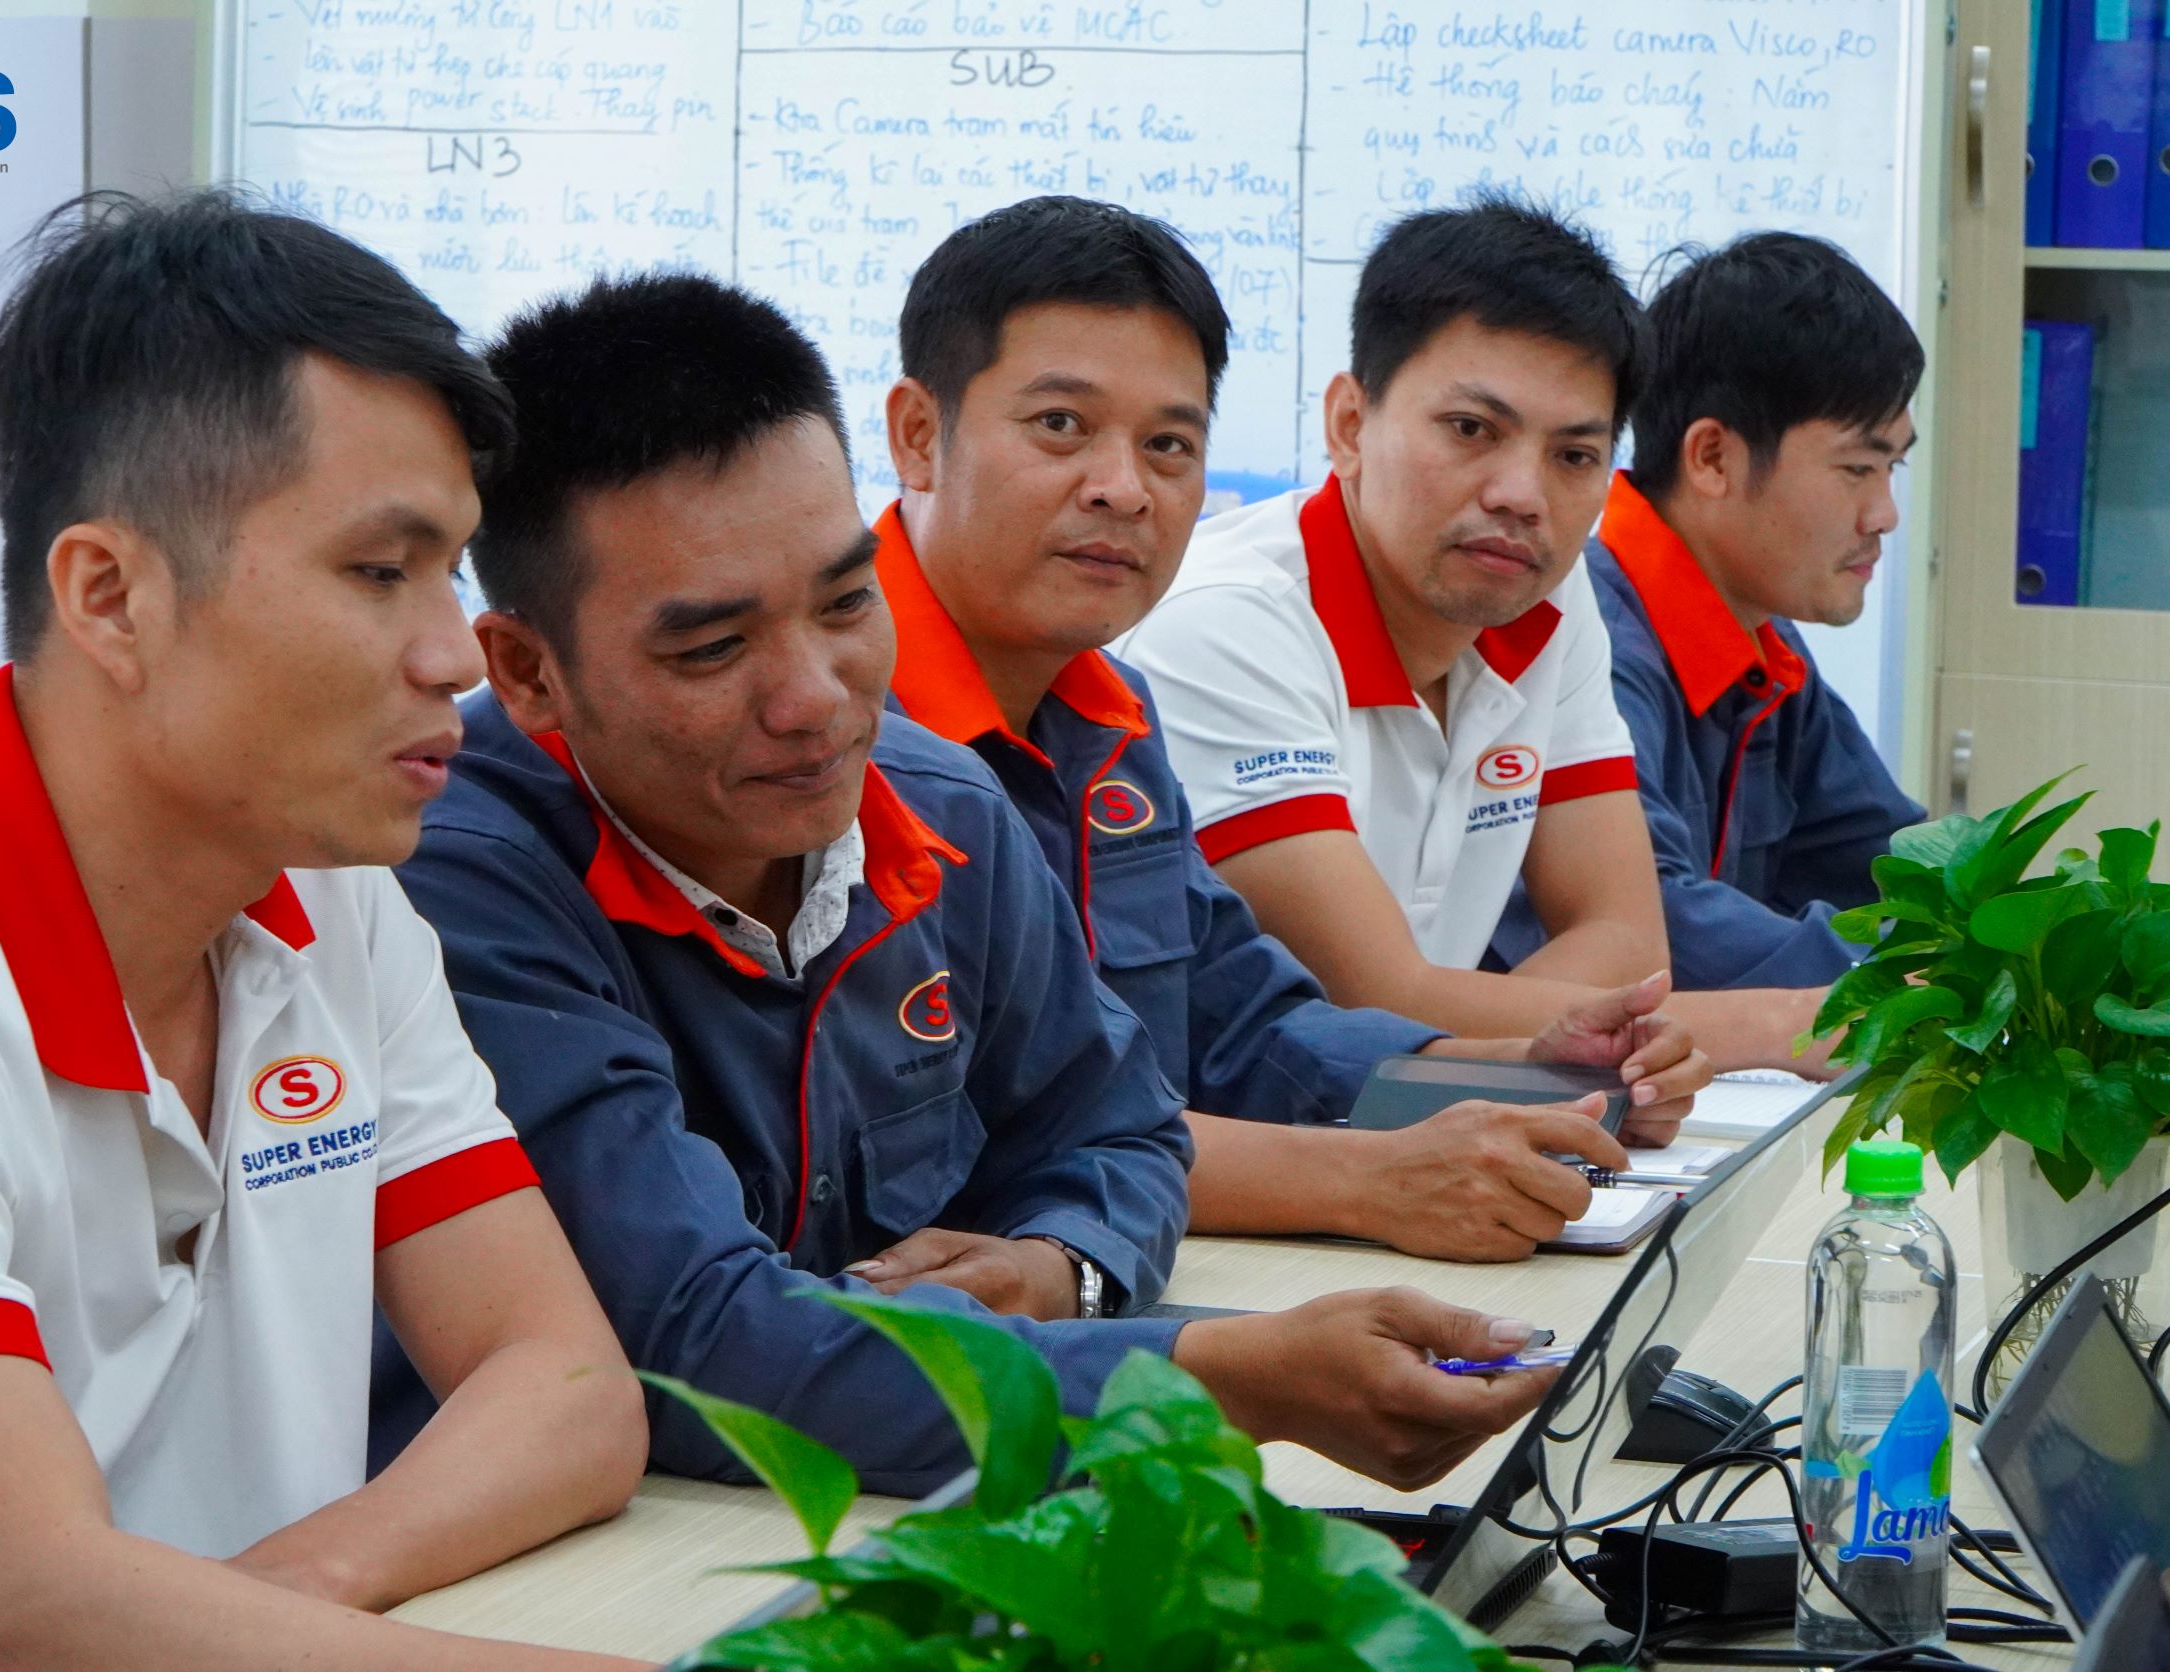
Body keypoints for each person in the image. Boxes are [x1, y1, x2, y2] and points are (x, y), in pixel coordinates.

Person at [0, 192, 648, 1672]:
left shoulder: (337, 902)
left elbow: (568, 1386)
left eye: (452, 568)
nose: (455, 653)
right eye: (380, 571)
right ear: (110, 596)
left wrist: (283, 1588)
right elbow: (36, 1609)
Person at [393, 269, 1561, 1499]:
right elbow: (699, 1343)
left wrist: (1061, 1263)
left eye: (848, 601)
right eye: (715, 647)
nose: (816, 698)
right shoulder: (457, 884)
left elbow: (1120, 1126)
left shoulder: (940, 804)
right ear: (526, 672)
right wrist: (1220, 1380)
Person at [868, 195, 1708, 1263]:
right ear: (918, 435)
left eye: (1169, 444)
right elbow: (989, 1144)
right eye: (1061, 426)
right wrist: (1374, 1180)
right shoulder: (833, 731)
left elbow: (1246, 1024)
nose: (1124, 489)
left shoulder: (1111, 718)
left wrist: (1517, 1068)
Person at [1117, 198, 1831, 1074]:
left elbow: (1625, 942)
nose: (1521, 496)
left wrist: (1522, 1056)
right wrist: (1791, 1024)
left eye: (1574, 456)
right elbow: (1374, 996)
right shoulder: (1227, 623)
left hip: (1393, 1124)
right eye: (1471, 431)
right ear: (1349, 425)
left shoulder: (1545, 597)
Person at [1490, 232, 1924, 990]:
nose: (1884, 514)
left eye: (1893, 466)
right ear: (1713, 458)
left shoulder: (1765, 646)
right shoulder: (1588, 647)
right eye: (1858, 468)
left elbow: (1899, 873)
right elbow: (1654, 932)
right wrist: (1917, 983)